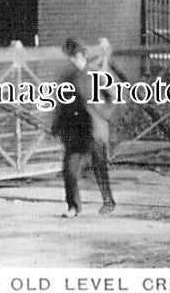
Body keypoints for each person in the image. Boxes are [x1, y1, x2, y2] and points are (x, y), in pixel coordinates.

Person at [51, 39, 116, 216]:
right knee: (69, 169)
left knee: (100, 168)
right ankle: (73, 206)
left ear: (80, 56)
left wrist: (103, 115)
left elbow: (112, 96)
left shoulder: (96, 74)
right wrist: (57, 124)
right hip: (76, 131)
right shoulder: (68, 78)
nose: (71, 61)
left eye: (73, 57)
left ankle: (108, 201)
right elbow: (62, 104)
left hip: (95, 130)